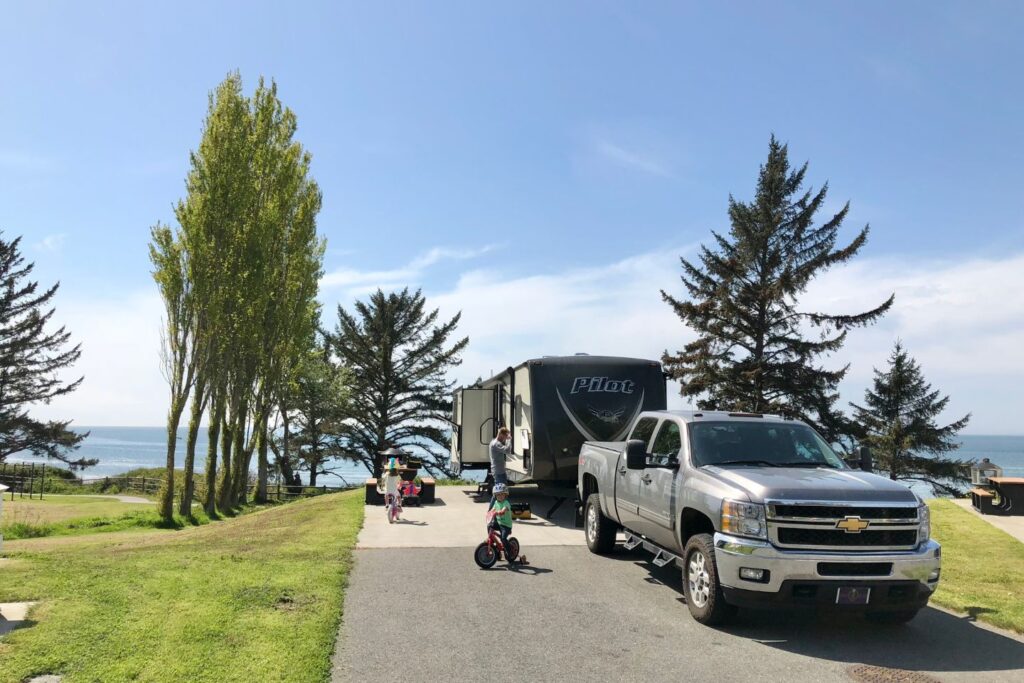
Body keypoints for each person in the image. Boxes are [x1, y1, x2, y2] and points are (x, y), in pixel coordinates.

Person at [488, 483, 528, 565]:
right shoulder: (496, 502)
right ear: (495, 496)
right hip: (499, 523)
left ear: (505, 495)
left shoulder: (506, 503)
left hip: (506, 526)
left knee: (503, 538)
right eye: (498, 495)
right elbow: (493, 509)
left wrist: (501, 512)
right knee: (490, 526)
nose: (500, 496)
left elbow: (504, 509)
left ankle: (509, 551)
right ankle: (493, 544)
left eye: (502, 494)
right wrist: (490, 512)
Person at [488, 426, 511, 508]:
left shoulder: (494, 442)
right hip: (498, 471)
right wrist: (509, 440)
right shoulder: (496, 444)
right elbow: (507, 451)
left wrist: (506, 440)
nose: (505, 439)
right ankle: (490, 512)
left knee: (502, 492)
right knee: (498, 492)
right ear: (501, 434)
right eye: (505, 436)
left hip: (499, 470)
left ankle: (502, 511)